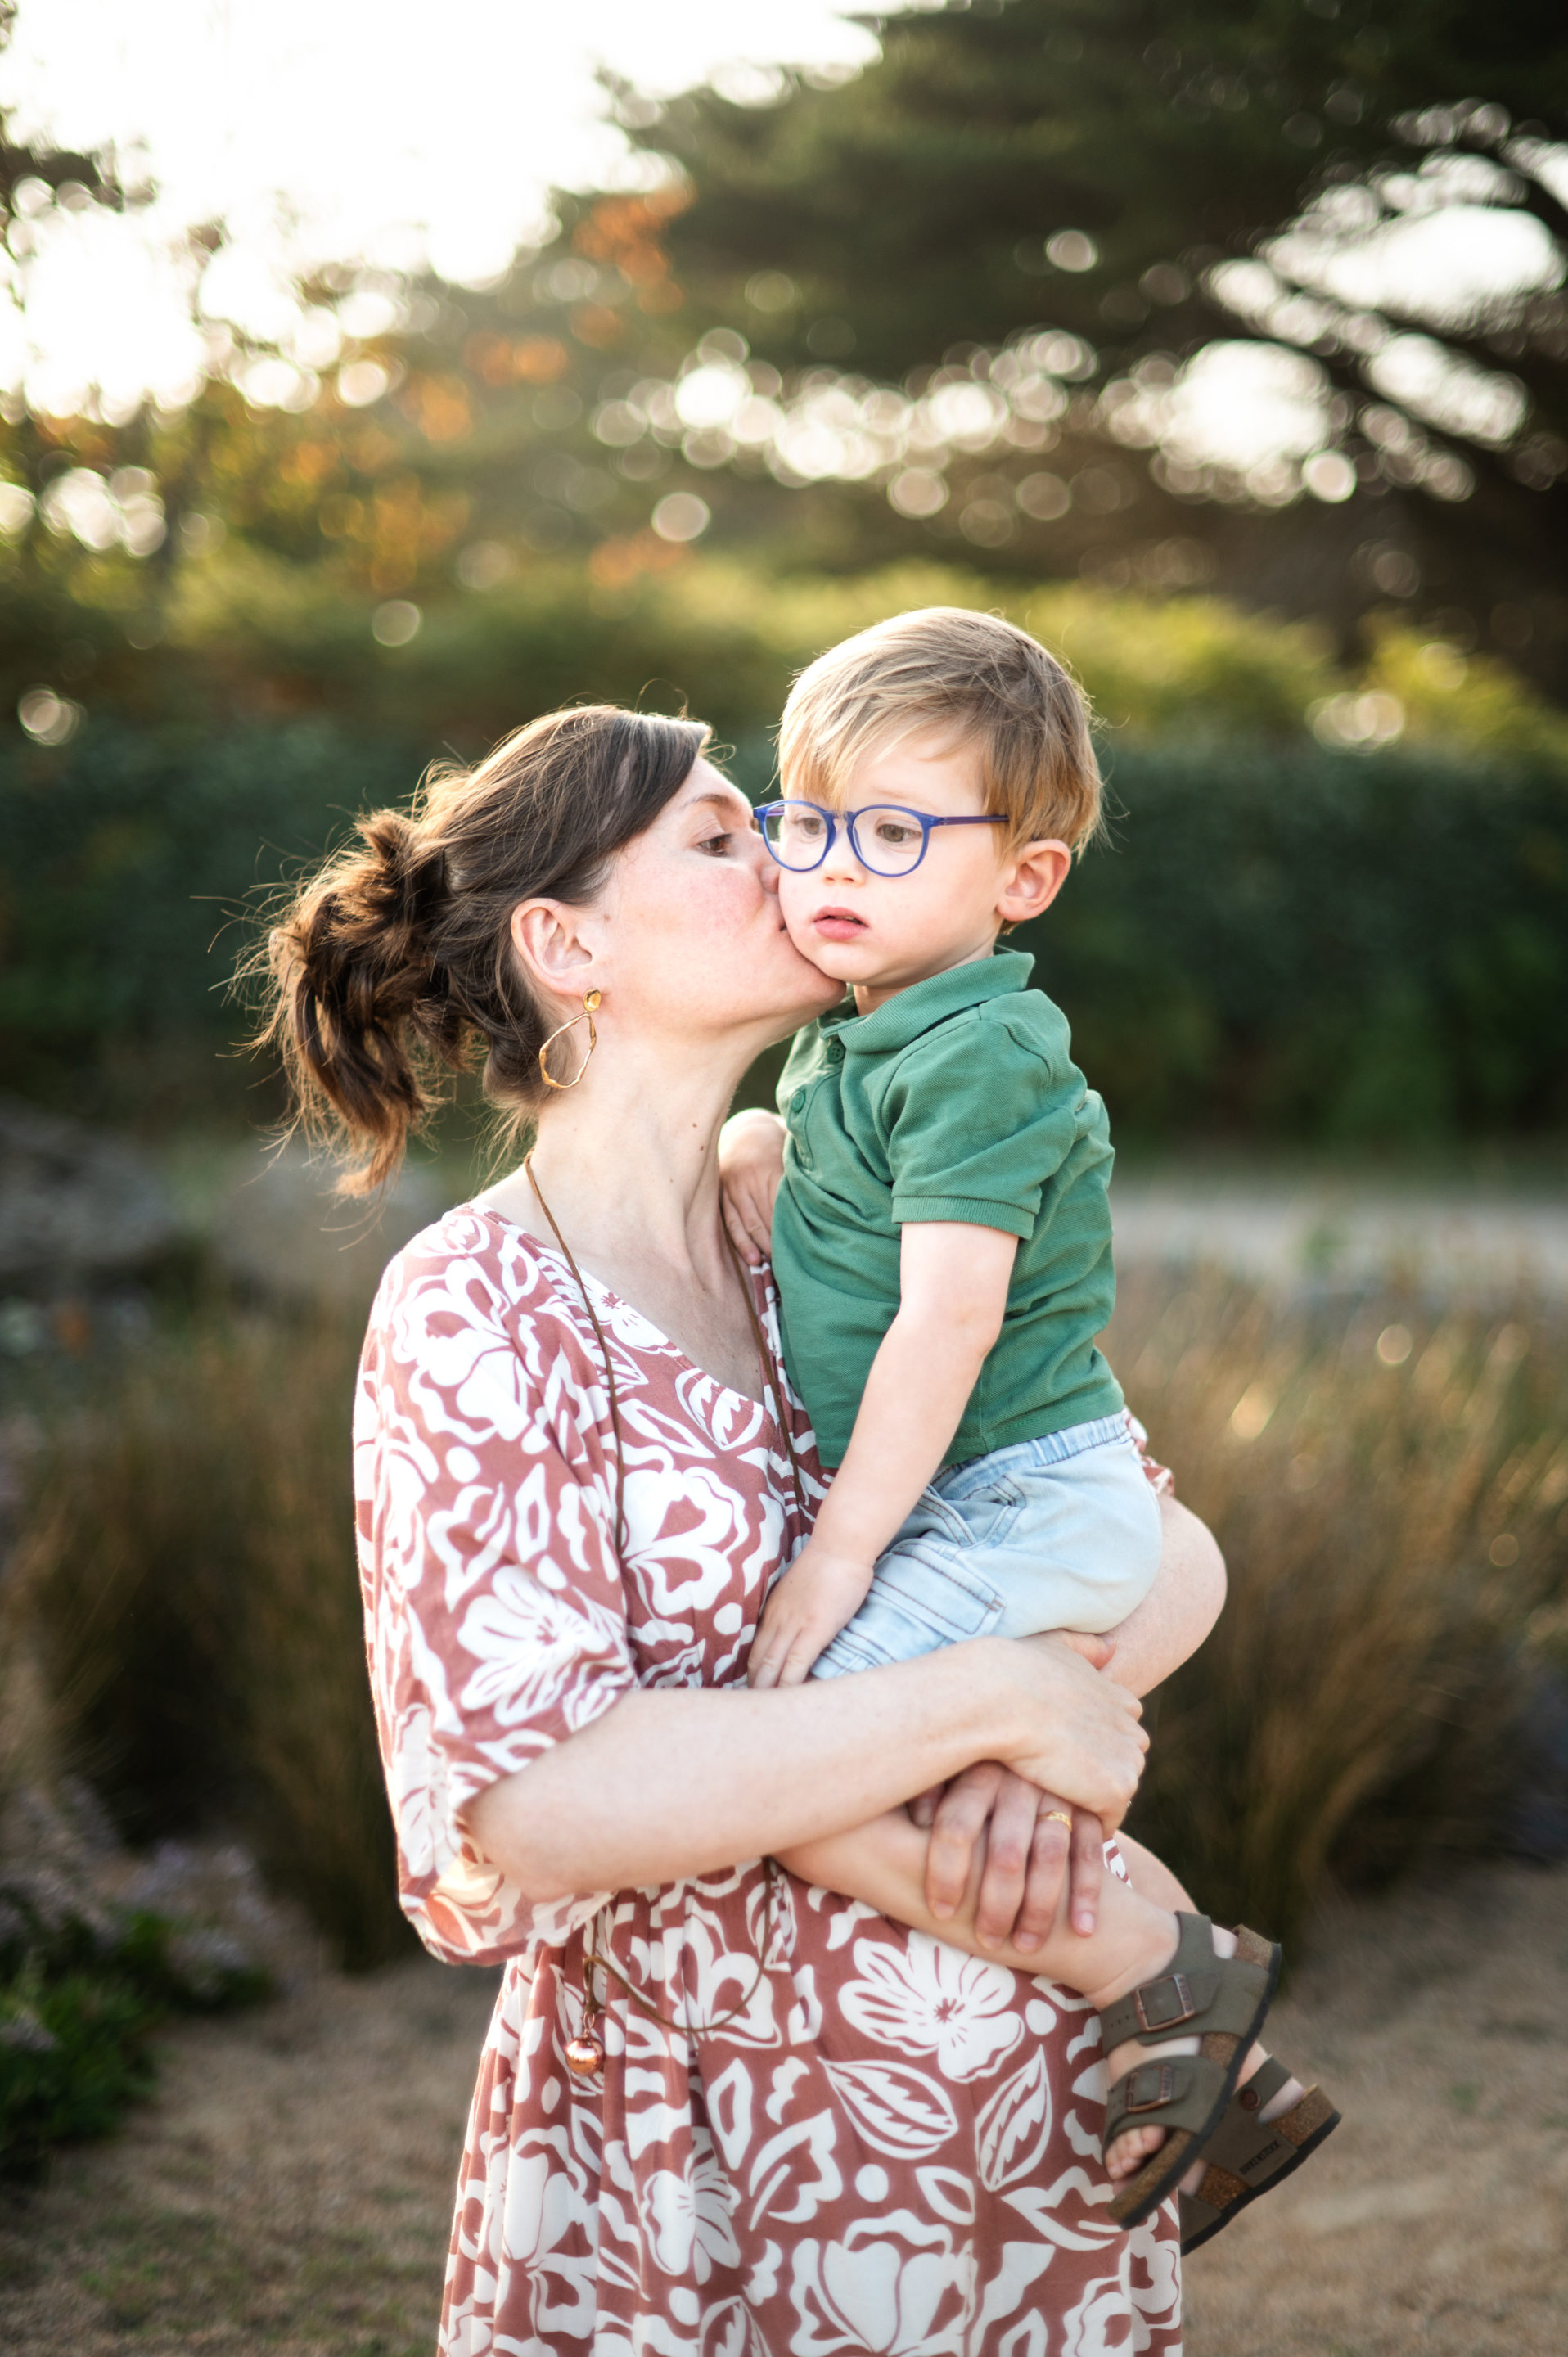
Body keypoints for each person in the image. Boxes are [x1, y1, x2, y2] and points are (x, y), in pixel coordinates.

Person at [259, 702, 1248, 2354]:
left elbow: (1153, 1534)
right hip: (704, 2155)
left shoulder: (832, 1198)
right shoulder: (477, 1306)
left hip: (1014, 2134)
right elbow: (533, 1808)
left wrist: (1028, 1740)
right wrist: (988, 1704)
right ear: (568, 945)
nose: (795, 849)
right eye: (727, 836)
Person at [721, 606, 1339, 2232]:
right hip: (983, 1495)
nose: (832, 862)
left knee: (780, 1775)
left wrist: (837, 1557)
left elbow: (951, 1314)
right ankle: (1214, 2072)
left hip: (1005, 1498)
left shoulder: (983, 1050)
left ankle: (1163, 1964)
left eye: (899, 831)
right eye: (810, 821)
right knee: (831, 1774)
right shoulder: (853, 1042)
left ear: (1025, 878)